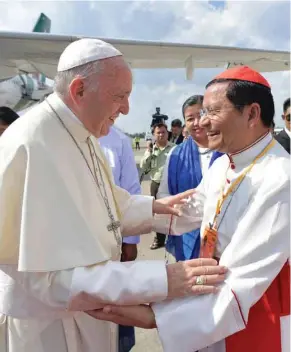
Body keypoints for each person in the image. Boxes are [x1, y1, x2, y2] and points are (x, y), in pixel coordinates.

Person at [0, 38, 226, 352]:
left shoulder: (81, 131)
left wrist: (154, 209)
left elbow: (100, 201)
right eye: (119, 96)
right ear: (79, 90)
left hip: (86, 316)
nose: (126, 108)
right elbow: (46, 278)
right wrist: (161, 279)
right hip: (48, 329)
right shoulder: (32, 146)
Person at [89, 66, 290, 352]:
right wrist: (109, 214)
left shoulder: (281, 179)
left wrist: (156, 316)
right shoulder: (224, 164)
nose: (202, 123)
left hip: (251, 310)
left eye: (212, 112)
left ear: (252, 113)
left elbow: (244, 277)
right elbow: (185, 212)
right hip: (211, 298)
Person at [158, 95, 223, 261]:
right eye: (190, 119)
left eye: (201, 115)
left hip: (223, 238)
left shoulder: (227, 151)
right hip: (186, 234)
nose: (197, 122)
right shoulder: (175, 155)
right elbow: (163, 195)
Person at [99, 125, 141, 351]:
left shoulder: (120, 141)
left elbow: (131, 190)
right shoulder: (62, 136)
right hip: (76, 248)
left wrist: (131, 240)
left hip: (113, 241)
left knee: (116, 303)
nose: (123, 108)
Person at [140, 123, 175, 249]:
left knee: (173, 212)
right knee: (158, 213)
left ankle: (174, 239)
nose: (161, 135)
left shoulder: (174, 148)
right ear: (154, 135)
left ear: (168, 133)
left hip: (171, 184)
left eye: (163, 132)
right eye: (158, 133)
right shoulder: (151, 150)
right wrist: (149, 150)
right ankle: (159, 239)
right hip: (156, 183)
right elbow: (143, 166)